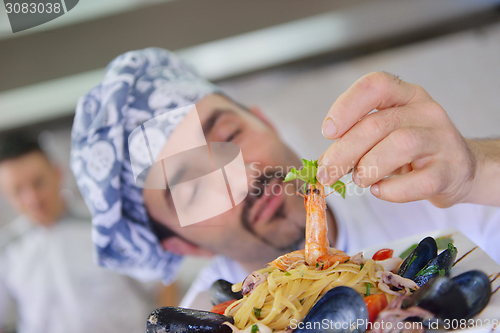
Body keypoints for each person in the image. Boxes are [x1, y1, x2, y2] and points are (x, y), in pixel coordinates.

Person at [69, 48, 500, 308]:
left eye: (228, 135)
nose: (240, 178)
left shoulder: (428, 184)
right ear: (181, 245)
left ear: (264, 121)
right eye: (193, 187)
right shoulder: (214, 318)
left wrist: (478, 169)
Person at [0, 134, 177, 333]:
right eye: (17, 191)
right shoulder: (6, 248)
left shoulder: (107, 224)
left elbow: (163, 281)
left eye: (38, 182)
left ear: (57, 173)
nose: (32, 198)